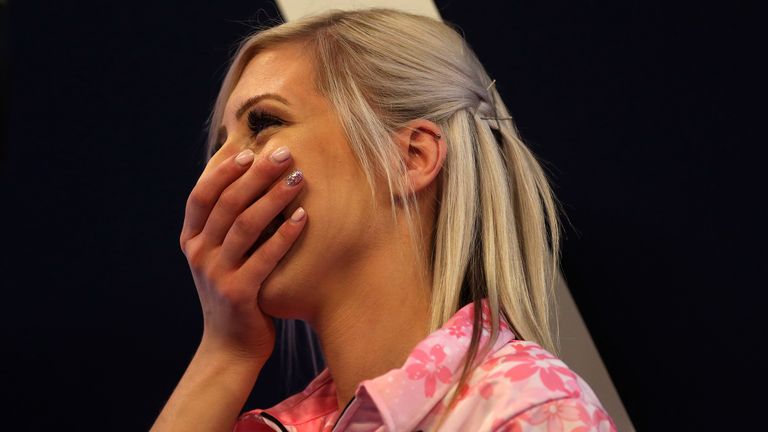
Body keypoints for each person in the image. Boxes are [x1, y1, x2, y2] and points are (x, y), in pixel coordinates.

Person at [151, 8, 617, 432]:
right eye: (219, 147)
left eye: (263, 123)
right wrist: (225, 352)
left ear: (410, 158)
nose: (217, 173)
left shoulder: (526, 412)